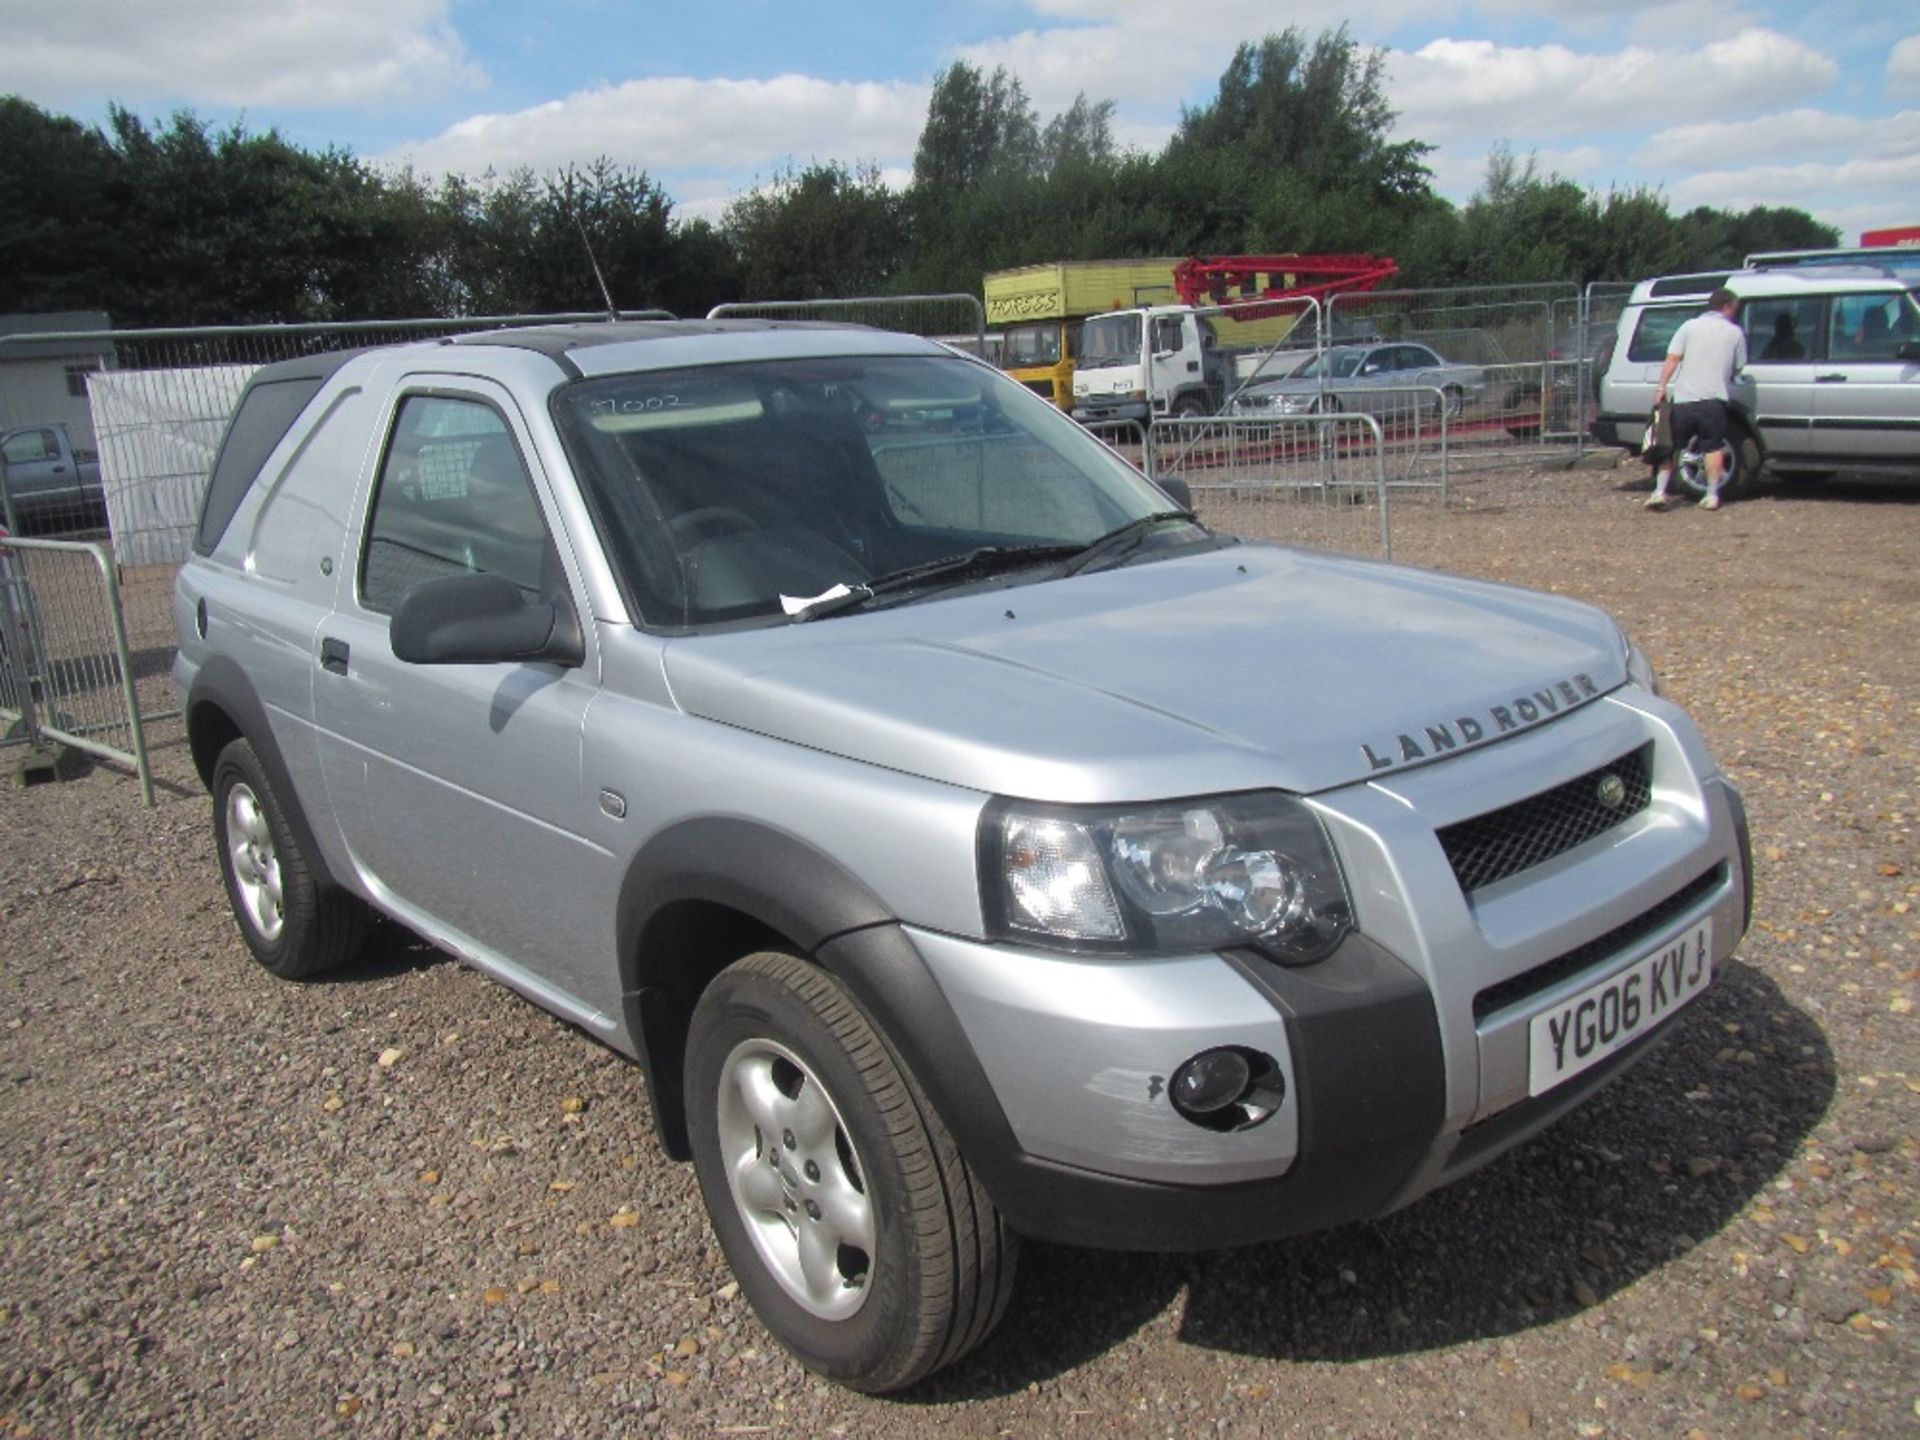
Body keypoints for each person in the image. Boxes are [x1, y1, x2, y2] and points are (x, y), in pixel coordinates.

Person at [1646, 288, 1747, 511]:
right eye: (1734, 309)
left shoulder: (1688, 327)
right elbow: (1739, 367)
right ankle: (1711, 495)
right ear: (1727, 306)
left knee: (1669, 446)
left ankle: (1660, 491)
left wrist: (1661, 386)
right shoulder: (1734, 332)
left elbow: (1673, 358)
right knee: (1713, 447)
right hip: (1714, 400)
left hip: (1685, 399)